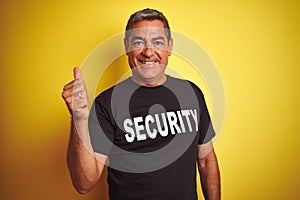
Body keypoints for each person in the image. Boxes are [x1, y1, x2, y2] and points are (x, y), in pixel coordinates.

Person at [62, 8, 220, 200]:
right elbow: (84, 183)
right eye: (138, 42)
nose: (148, 51)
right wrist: (79, 118)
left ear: (169, 46)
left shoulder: (191, 94)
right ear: (127, 46)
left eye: (158, 42)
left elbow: (206, 160)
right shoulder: (106, 104)